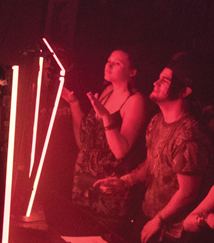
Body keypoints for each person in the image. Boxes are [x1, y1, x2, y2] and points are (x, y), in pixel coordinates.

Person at [96, 53, 214, 243]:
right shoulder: (157, 122)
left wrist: (159, 219)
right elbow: (152, 164)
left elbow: (187, 193)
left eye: (165, 80)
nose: (155, 83)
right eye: (159, 78)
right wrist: (125, 181)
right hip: (149, 217)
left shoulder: (190, 136)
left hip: (172, 235)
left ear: (184, 92)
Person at [63, 47, 149, 228]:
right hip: (85, 184)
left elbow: (120, 151)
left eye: (116, 63)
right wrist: (73, 104)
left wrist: (106, 117)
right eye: (108, 61)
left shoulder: (135, 101)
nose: (108, 66)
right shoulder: (107, 91)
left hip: (110, 190)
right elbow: (84, 142)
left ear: (132, 72)